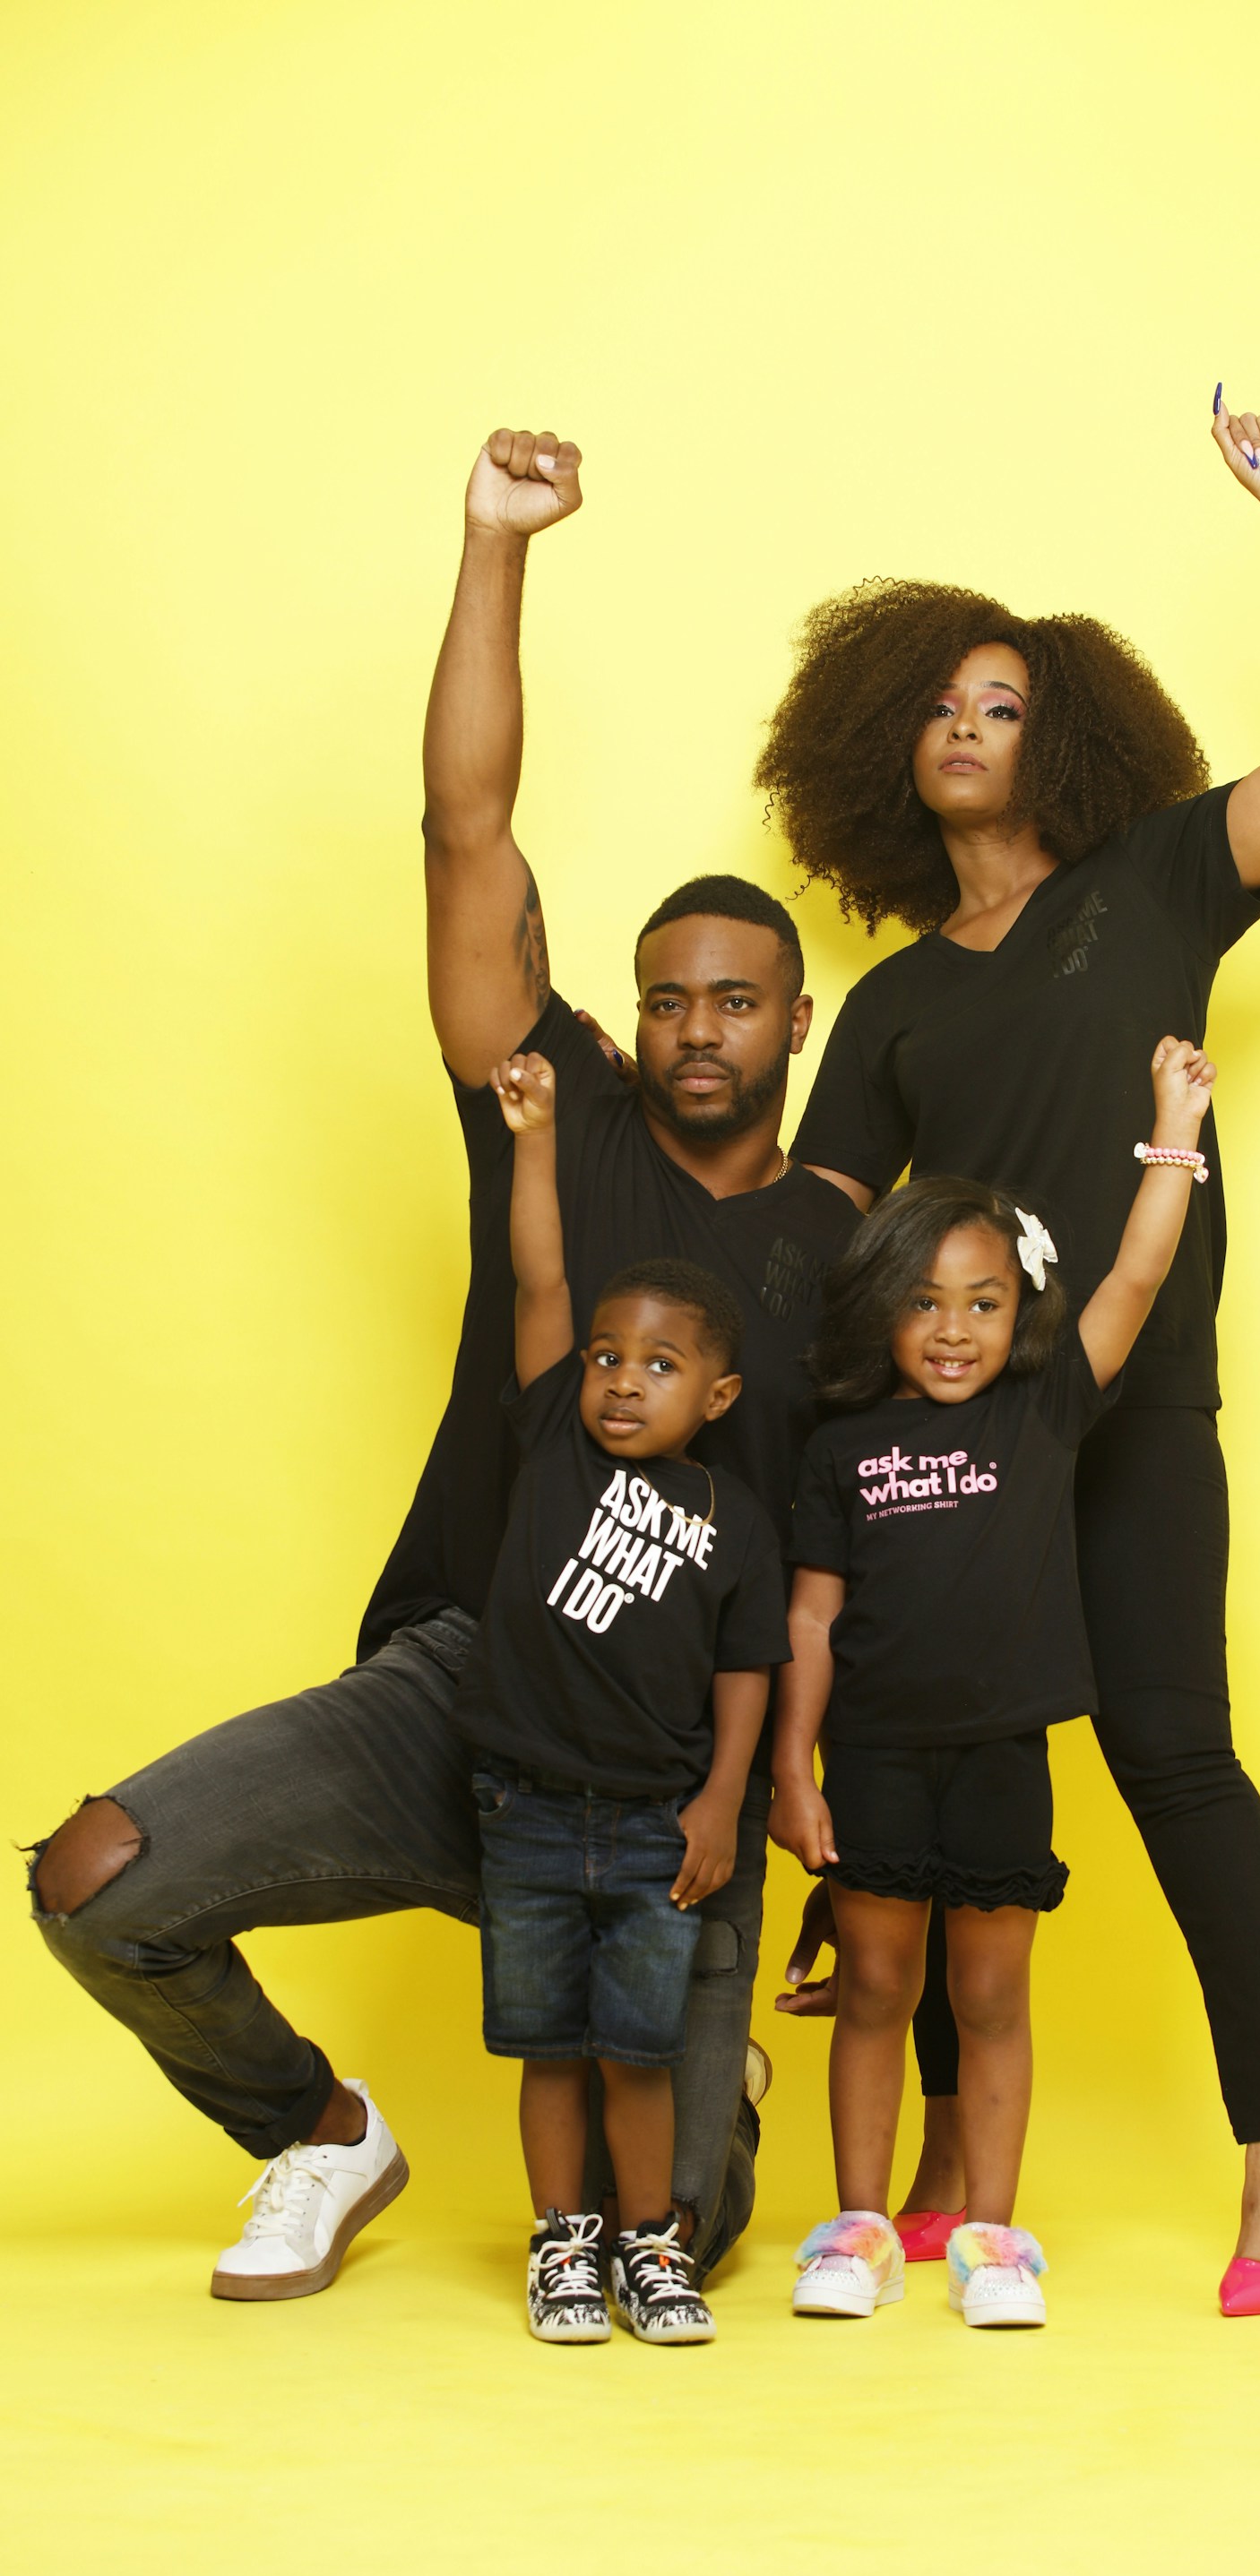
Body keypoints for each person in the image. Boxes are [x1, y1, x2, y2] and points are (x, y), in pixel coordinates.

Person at [28, 426, 857, 2300]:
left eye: (737, 1003)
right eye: (668, 998)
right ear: (629, 1012)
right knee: (96, 1881)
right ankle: (319, 2134)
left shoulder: (841, 1239)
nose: (697, 1030)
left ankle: (705, 2080)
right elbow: (467, 834)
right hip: (466, 1688)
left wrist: (829, 1823)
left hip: (671, 1767)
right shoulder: (560, 1113)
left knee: (680, 2234)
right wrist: (496, 543)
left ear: (797, 1024)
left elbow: (845, 1553)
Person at [760, 397, 1260, 2313]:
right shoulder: (892, 1001)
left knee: (1169, 1748)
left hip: (1134, 1394)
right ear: (890, 744)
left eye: (1004, 704)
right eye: (940, 705)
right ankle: (953, 2147)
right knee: (944, 1748)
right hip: (959, 1438)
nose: (966, 726)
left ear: (1061, 738)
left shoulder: (1158, 883)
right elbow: (811, 1235)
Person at [774, 1038, 1232, 2330]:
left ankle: (992, 2238)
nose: (954, 1330)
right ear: (882, 1309)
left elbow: (1139, 1271)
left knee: (987, 1997)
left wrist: (1175, 1128)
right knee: (875, 1991)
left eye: (982, 1302)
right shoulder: (843, 1445)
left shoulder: (1044, 1408)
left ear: (1020, 1307)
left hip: (1000, 1758)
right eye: (925, 1303)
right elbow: (811, 1617)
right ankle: (859, 2230)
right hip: (871, 1758)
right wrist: (793, 1770)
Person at [461, 1049, 789, 2342]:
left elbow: (748, 1670)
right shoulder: (552, 1434)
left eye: (658, 1365)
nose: (619, 1380)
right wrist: (535, 1137)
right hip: (527, 1810)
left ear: (717, 1396)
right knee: (550, 2048)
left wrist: (721, 1801)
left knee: (636, 2053)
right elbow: (541, 1277)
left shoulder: (735, 1519)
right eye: (608, 1356)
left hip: (659, 1822)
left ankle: (650, 2247)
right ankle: (563, 2246)